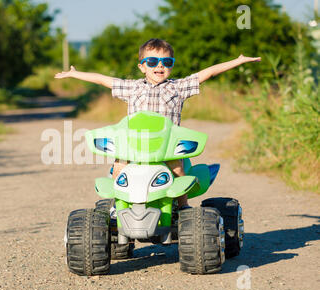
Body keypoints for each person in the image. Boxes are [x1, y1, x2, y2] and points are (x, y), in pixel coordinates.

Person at [55, 38, 260, 209]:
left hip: (166, 146)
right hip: (134, 145)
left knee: (178, 170)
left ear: (171, 65)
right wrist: (75, 73)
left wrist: (237, 61)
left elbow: (207, 73)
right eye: (152, 61)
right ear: (142, 66)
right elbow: (102, 79)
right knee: (119, 167)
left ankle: (183, 207)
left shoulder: (178, 87)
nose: (159, 66)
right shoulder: (132, 88)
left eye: (166, 62)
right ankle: (118, 207)